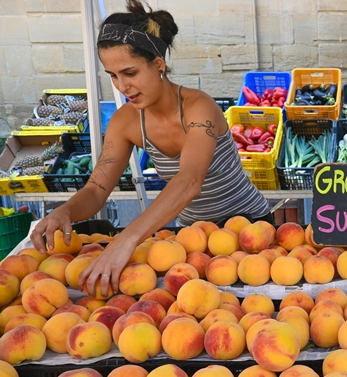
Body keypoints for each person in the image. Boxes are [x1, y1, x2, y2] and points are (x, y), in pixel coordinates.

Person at [31, 0, 272, 298]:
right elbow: (96, 190)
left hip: (250, 226)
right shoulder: (126, 122)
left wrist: (127, 239)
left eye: (130, 73)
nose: (122, 86)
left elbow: (190, 180)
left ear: (158, 64)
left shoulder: (199, 108)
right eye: (113, 75)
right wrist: (64, 211)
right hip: (193, 237)